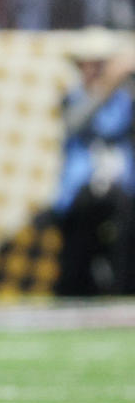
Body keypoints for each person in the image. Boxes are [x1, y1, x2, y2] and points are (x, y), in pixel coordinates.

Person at [51, 29, 135, 296]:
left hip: (123, 193)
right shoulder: (73, 98)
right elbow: (74, 124)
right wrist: (106, 87)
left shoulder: (126, 101)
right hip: (80, 193)